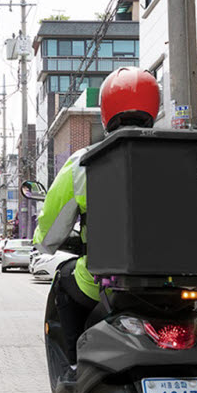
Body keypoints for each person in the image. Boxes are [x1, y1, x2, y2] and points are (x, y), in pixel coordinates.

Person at [33, 67, 161, 367]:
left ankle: (77, 366)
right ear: (154, 107)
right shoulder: (184, 152)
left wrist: (43, 244)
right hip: (176, 280)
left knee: (65, 281)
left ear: (106, 112)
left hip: (108, 281)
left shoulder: (85, 161)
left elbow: (51, 230)